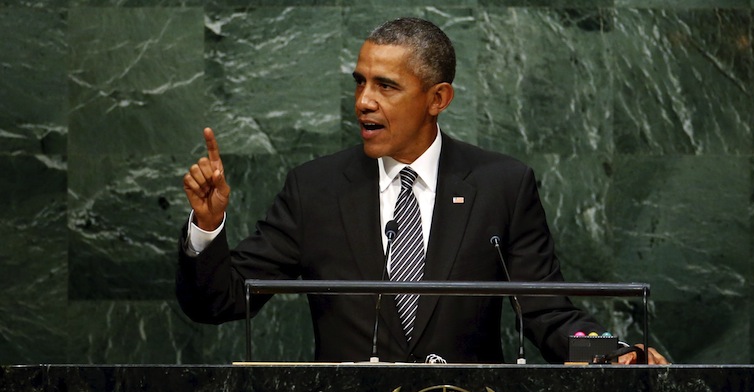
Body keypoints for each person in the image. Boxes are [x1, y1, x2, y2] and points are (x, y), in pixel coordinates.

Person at [177, 17, 667, 365]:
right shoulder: (316, 189)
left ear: (438, 99)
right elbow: (220, 302)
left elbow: (547, 311)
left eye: (386, 86)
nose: (363, 102)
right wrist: (206, 225)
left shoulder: (501, 185)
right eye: (359, 83)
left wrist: (614, 352)